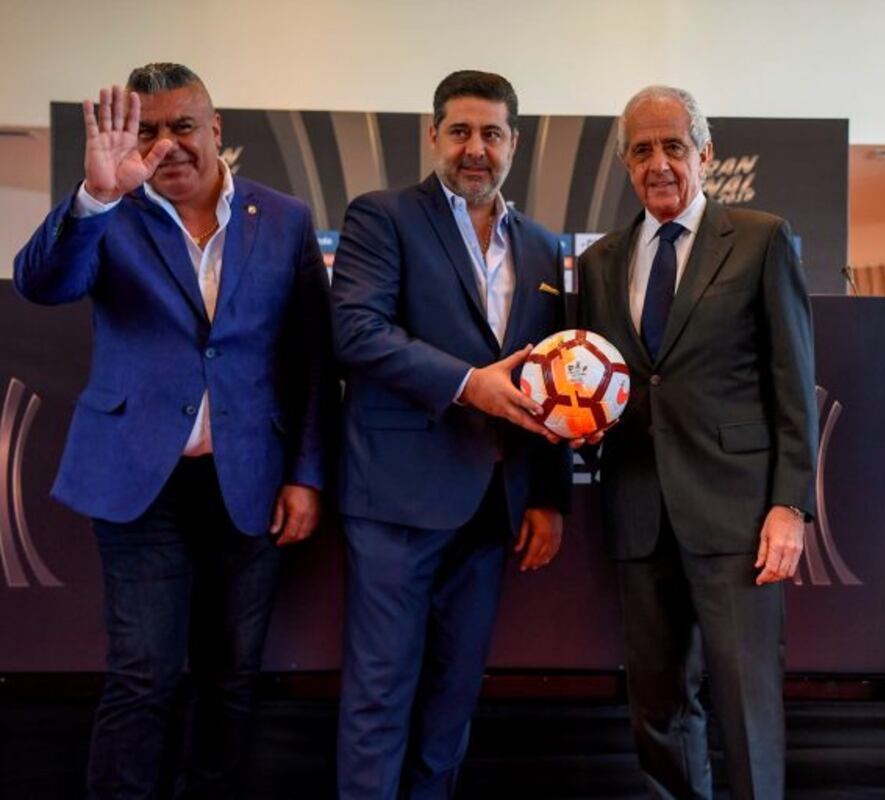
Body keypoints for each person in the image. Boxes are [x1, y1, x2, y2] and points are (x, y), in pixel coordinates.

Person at [12, 63, 334, 798]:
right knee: (142, 675)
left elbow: (312, 360)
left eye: (182, 127)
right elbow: (40, 283)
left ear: (216, 129)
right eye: (149, 130)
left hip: (249, 485)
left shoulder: (281, 217)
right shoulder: (112, 210)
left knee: (231, 675)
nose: (166, 145)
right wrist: (97, 194)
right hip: (139, 484)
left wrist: (307, 474)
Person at [330, 70, 570, 799]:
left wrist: (548, 497)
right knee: (379, 698)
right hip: (396, 501)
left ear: (514, 144)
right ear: (432, 135)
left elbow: (550, 379)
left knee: (451, 705)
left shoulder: (540, 244)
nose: (475, 149)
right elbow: (356, 331)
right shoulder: (382, 216)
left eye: (491, 134)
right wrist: (470, 384)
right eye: (460, 131)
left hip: (495, 506)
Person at [576, 85, 818, 799]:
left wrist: (788, 507)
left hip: (738, 518)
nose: (659, 163)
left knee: (746, 710)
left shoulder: (761, 239)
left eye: (673, 146)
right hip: (638, 513)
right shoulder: (599, 263)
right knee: (658, 710)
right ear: (626, 163)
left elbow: (793, 387)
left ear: (705, 154)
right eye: (642, 150)